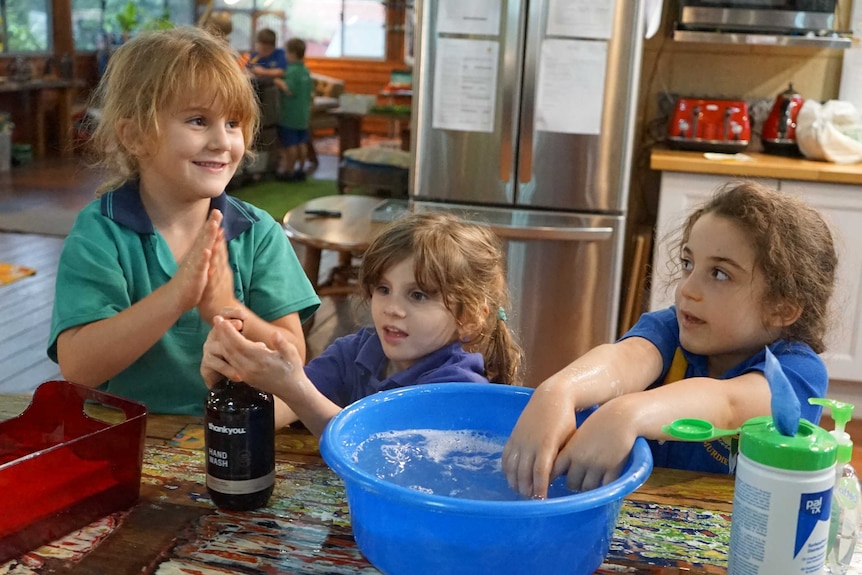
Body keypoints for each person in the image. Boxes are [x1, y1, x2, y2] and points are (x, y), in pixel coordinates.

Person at [47, 26, 320, 417]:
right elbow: (78, 368)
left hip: (230, 436)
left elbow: (292, 355)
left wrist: (226, 307)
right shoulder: (102, 232)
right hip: (125, 442)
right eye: (197, 120)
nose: (222, 141)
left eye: (232, 123)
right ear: (135, 135)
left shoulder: (257, 232)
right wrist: (176, 297)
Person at [503, 181, 838, 497]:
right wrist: (560, 389)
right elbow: (627, 359)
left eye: (720, 274)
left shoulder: (796, 374)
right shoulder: (672, 330)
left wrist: (627, 413)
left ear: (782, 308)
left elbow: (728, 404)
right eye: (688, 264)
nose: (687, 289)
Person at [200, 211, 524, 435]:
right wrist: (234, 385)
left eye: (419, 295)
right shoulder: (356, 352)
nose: (392, 309)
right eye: (384, 289)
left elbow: (375, 455)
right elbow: (281, 410)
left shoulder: (459, 388)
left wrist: (293, 386)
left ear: (468, 317)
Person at [273, 37, 313, 182]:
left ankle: (289, 171)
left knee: (290, 144)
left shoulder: (292, 70)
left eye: (287, 53)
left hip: (290, 115)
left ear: (293, 54)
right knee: (302, 142)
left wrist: (277, 81)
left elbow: (289, 89)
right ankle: (300, 169)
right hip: (303, 115)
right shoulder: (305, 71)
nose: (285, 56)